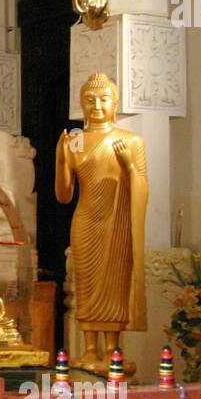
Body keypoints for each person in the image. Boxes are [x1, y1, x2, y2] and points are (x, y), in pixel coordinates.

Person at [55, 73, 148, 372]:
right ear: (81, 105)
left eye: (103, 99)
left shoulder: (131, 141)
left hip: (116, 221)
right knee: (87, 284)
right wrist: (61, 159)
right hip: (85, 221)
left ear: (115, 104)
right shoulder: (76, 141)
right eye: (89, 100)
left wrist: (129, 167)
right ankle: (89, 349)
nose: (96, 105)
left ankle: (112, 349)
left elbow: (143, 189)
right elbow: (64, 195)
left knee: (114, 284)